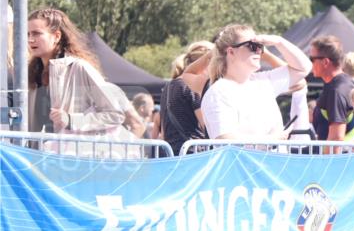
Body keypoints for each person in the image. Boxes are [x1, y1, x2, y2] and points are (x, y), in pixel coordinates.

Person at [26, 8, 137, 153]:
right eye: (28, 34)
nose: (30, 39)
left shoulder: (79, 67)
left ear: (56, 36)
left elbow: (115, 114)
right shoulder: (31, 73)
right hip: (42, 159)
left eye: (37, 33)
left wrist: (71, 120)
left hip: (77, 159)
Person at [201, 24, 310, 141]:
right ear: (231, 52)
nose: (258, 51)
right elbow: (225, 138)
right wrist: (271, 139)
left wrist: (278, 41)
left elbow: (303, 68)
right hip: (244, 159)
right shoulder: (218, 92)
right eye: (252, 46)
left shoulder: (264, 81)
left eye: (260, 46)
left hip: (272, 158)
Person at [160, 40, 213, 155]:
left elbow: (163, 132)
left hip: (170, 154)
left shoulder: (168, 86)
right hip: (193, 154)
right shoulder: (192, 86)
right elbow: (208, 126)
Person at [310, 35, 354, 148]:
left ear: (325, 62)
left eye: (312, 59)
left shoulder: (337, 90)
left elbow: (336, 139)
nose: (310, 63)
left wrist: (326, 164)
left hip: (334, 161)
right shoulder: (343, 83)